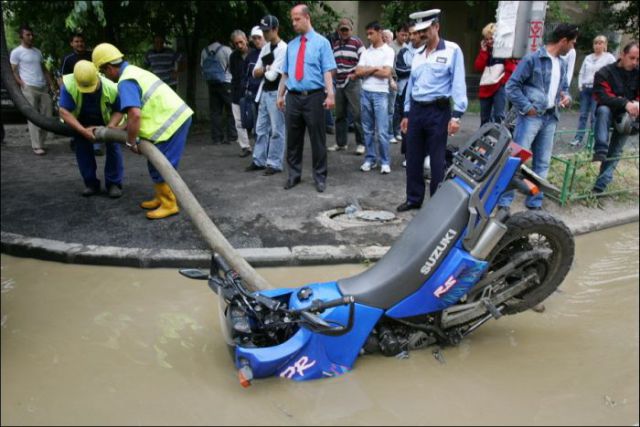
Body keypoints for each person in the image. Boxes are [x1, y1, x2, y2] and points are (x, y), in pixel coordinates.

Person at [92, 43, 194, 220]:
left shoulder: (126, 81)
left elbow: (135, 115)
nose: (105, 76)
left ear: (109, 67)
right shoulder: (134, 71)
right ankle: (161, 197)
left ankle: (169, 204)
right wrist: (121, 128)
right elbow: (137, 109)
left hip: (171, 123)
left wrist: (130, 141)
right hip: (172, 118)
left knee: (161, 165)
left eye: (103, 71)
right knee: (154, 163)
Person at [498, 23, 578, 211]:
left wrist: (566, 97)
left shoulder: (562, 63)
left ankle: (534, 202)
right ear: (563, 41)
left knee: (542, 163)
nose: (573, 47)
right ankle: (503, 202)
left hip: (551, 117)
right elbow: (511, 86)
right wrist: (526, 107)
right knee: (516, 161)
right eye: (572, 43)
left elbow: (564, 88)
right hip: (530, 117)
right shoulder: (533, 59)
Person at [396, 10, 468, 212]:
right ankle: (413, 199)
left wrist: (456, 115)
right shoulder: (418, 55)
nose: (422, 34)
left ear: (436, 27)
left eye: (426, 30)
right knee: (413, 158)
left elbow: (458, 83)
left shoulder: (452, 51)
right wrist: (407, 113)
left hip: (438, 111)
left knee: (437, 161)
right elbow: (412, 86)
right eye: (419, 31)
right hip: (417, 111)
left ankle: (435, 205)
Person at [277, 4, 337, 193]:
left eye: (297, 19)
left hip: (314, 96)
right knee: (293, 139)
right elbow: (285, 74)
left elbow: (328, 70)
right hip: (293, 97)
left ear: (307, 17)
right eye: (292, 20)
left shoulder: (322, 43)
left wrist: (330, 94)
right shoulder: (292, 45)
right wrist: (280, 95)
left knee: (317, 139)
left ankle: (320, 177)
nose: (294, 23)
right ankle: (294, 175)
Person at [58, 60, 124, 198]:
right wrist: (82, 130)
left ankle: (113, 183)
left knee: (114, 148)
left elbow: (119, 110)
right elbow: (64, 111)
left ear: (98, 76)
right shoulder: (69, 86)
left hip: (107, 122)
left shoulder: (111, 88)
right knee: (82, 148)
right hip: (81, 122)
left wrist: (110, 128)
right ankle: (91, 184)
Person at [591, 41, 639, 194]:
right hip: (608, 113)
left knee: (616, 151)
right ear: (622, 55)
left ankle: (600, 186)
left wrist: (636, 105)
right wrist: (625, 103)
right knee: (604, 110)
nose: (635, 63)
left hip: (629, 117)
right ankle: (600, 149)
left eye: (638, 59)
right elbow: (602, 96)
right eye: (632, 58)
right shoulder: (604, 73)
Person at [245, 16, 288, 176]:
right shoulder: (266, 48)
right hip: (264, 92)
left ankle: (275, 163)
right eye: (263, 31)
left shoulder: (284, 48)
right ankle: (259, 160)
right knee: (260, 128)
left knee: (277, 129)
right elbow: (256, 72)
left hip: (277, 92)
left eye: (267, 31)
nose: (265, 34)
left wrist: (265, 69)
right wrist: (266, 68)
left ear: (275, 29)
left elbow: (273, 76)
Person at [354, 21, 395, 174]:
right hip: (365, 92)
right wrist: (375, 68)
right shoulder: (366, 51)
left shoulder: (388, 51)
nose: (369, 37)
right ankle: (370, 159)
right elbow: (358, 72)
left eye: (371, 33)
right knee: (367, 129)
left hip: (381, 93)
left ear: (379, 32)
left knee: (382, 130)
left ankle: (385, 161)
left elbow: (386, 74)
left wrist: (367, 70)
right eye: (367, 34)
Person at [9, 25, 56, 156]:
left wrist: (51, 84)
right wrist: (22, 84)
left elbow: (44, 69)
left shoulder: (37, 52)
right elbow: (12, 71)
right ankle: (36, 146)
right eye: (27, 35)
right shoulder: (16, 52)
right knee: (33, 117)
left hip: (43, 87)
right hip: (29, 87)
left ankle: (42, 143)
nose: (31, 37)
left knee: (47, 116)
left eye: (31, 34)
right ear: (21, 36)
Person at [60, 33, 103, 156]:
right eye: (77, 41)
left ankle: (96, 143)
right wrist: (64, 92)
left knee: (94, 114)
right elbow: (62, 77)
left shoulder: (91, 56)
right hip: (74, 91)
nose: (80, 44)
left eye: (81, 41)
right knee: (75, 115)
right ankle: (76, 138)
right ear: (71, 43)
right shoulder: (67, 58)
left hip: (93, 90)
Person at [569, 35, 617, 147]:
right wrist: (580, 86)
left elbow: (614, 72)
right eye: (596, 43)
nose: (598, 45)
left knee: (594, 117)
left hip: (598, 90)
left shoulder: (609, 58)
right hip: (586, 88)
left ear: (605, 45)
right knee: (583, 115)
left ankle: (592, 141)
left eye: (600, 43)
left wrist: (607, 87)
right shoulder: (588, 57)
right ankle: (578, 138)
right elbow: (581, 72)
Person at [328, 17, 365, 154]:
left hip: (353, 81)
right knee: (339, 115)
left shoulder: (357, 42)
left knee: (357, 114)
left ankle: (361, 143)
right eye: (342, 29)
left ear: (351, 29)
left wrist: (356, 74)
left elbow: (364, 60)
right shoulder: (336, 44)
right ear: (338, 30)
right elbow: (332, 65)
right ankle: (341, 143)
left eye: (346, 29)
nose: (344, 32)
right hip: (339, 83)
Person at [474, 23, 517, 126]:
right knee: (484, 118)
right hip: (486, 86)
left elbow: (511, 68)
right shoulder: (485, 51)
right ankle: (483, 139)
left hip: (499, 86)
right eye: (487, 39)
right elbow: (478, 67)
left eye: (491, 38)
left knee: (499, 115)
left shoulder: (504, 51)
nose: (489, 41)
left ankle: (500, 139)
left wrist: (502, 82)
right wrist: (483, 52)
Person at [395, 23, 425, 166]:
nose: (411, 37)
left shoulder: (428, 51)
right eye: (409, 34)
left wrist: (412, 69)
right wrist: (415, 70)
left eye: (414, 34)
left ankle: (422, 154)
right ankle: (408, 155)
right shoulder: (404, 51)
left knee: (421, 125)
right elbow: (399, 70)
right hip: (404, 92)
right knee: (406, 125)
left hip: (421, 95)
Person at [201, 37, 236, 145]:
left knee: (215, 112)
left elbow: (202, 67)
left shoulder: (204, 51)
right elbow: (232, 65)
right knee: (231, 110)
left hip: (211, 83)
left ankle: (217, 138)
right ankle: (232, 136)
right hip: (226, 82)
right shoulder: (226, 49)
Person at [229, 29, 254, 158]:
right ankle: (245, 146)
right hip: (237, 91)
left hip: (253, 91)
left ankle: (262, 145)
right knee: (238, 121)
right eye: (236, 43)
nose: (239, 45)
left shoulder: (255, 53)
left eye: (241, 42)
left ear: (246, 40)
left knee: (256, 119)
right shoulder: (233, 56)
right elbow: (234, 74)